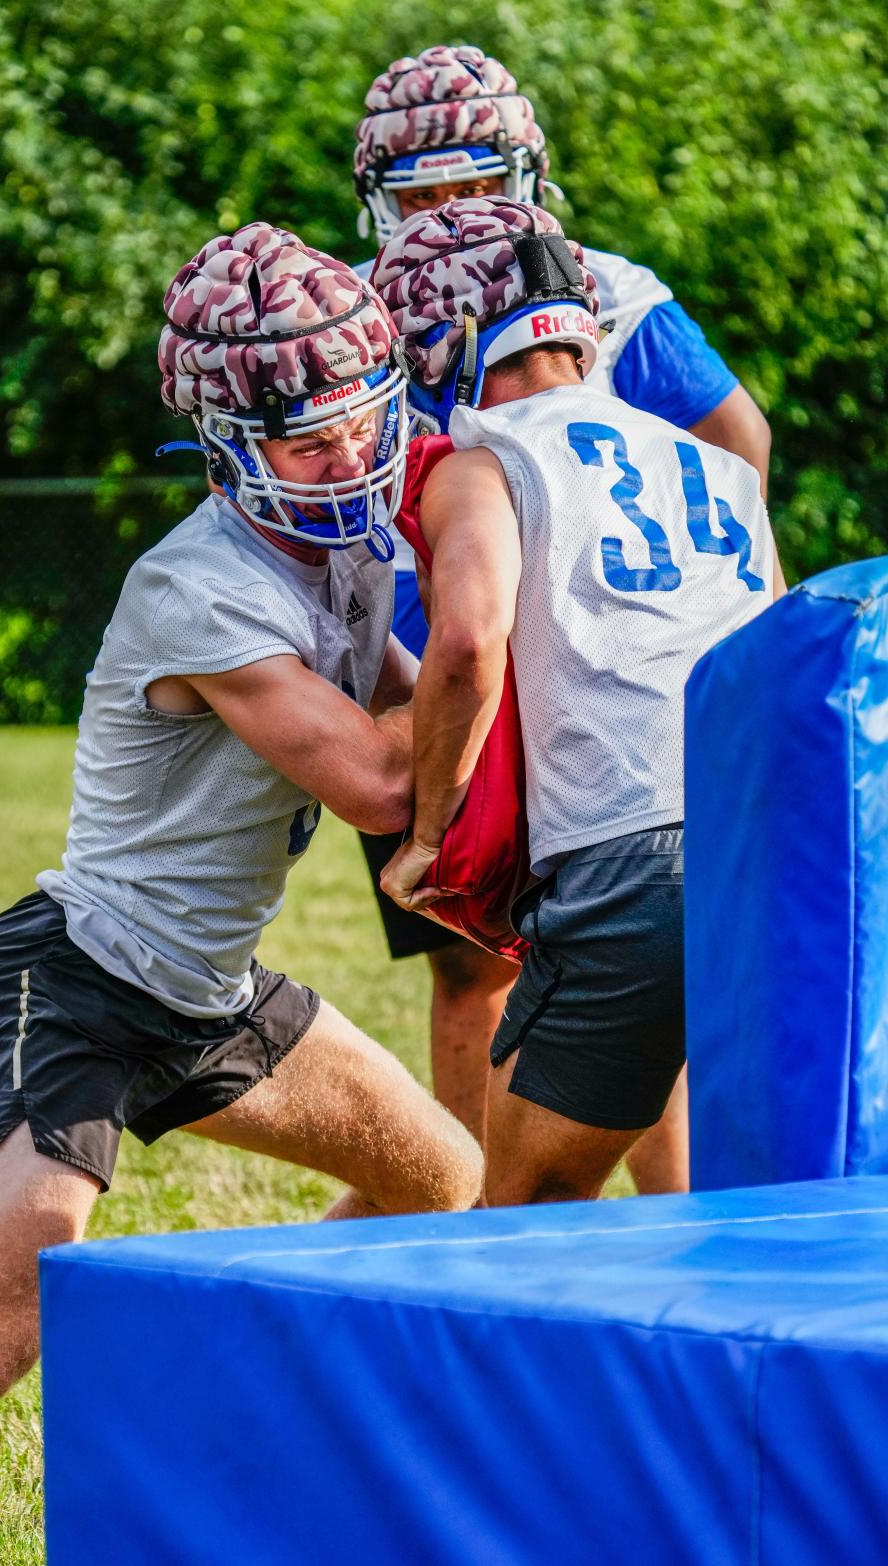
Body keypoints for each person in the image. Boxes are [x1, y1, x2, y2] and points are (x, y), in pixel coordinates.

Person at [0, 224, 482, 1426]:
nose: (347, 457)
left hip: (208, 993)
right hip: (78, 982)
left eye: (363, 417)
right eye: (306, 434)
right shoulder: (200, 584)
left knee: (443, 1178)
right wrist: (488, 631)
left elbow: (404, 700)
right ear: (229, 449)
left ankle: (242, 1360)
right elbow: (387, 782)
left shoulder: (346, 558)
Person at [351, 44, 773, 1186]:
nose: (453, 214)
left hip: (554, 731)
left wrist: (436, 829)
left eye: (475, 184)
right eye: (425, 195)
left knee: (529, 1195)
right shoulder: (712, 478)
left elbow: (474, 637)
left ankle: (487, 1235)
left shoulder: (485, 443)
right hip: (740, 802)